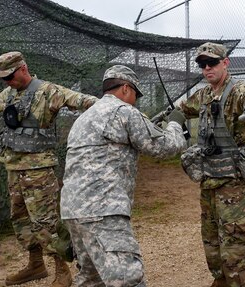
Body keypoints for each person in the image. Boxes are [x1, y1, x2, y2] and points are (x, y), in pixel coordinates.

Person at [0, 51, 98, 287]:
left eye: (9, 76)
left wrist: (113, 105)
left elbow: (84, 101)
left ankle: (62, 270)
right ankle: (36, 265)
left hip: (39, 169)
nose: (7, 82)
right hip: (13, 166)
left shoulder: (50, 91)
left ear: (23, 68)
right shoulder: (9, 94)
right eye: (3, 79)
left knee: (45, 221)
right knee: (20, 218)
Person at [60, 64, 187, 286]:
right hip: (103, 211)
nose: (135, 100)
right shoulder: (124, 112)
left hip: (73, 211)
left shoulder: (84, 117)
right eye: (136, 95)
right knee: (127, 278)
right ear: (126, 88)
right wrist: (175, 123)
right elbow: (166, 147)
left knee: (92, 278)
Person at [177, 42, 245, 287]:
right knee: (210, 236)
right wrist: (168, 119)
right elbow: (181, 110)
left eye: (212, 63)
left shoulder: (239, 90)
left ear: (225, 63)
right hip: (209, 177)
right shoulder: (204, 95)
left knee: (235, 238)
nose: (207, 68)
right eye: (202, 64)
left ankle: (242, 284)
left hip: (235, 181)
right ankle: (220, 279)